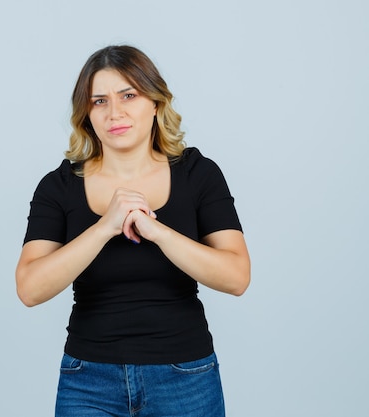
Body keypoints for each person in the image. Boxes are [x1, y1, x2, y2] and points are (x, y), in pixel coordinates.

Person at [16, 45, 250, 417]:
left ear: (155, 103)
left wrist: (158, 232)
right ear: (86, 114)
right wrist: (104, 227)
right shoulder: (58, 186)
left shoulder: (198, 174)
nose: (115, 113)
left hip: (185, 377)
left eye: (129, 95)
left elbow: (237, 277)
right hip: (87, 381)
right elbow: (29, 288)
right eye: (99, 101)